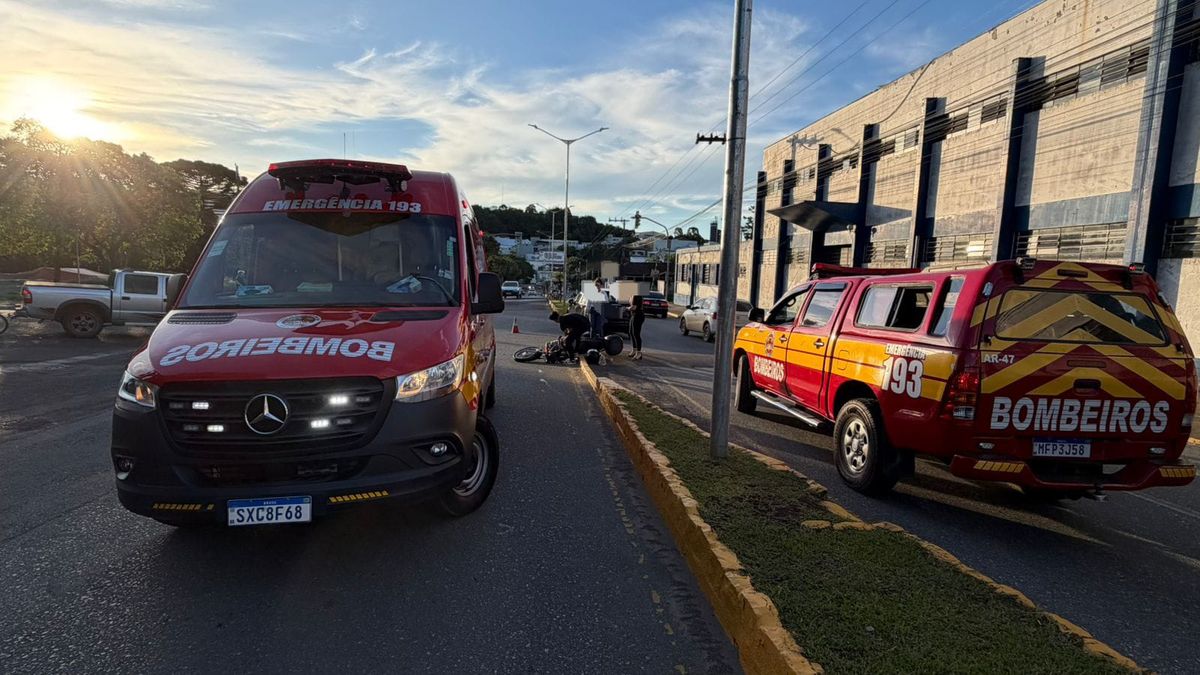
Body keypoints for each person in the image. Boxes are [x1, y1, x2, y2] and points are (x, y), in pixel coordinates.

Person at [628, 295, 646, 360]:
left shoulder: (637, 296)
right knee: (631, 332)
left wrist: (627, 308)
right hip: (634, 315)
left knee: (636, 334)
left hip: (638, 316)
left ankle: (639, 353)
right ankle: (634, 350)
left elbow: (634, 307)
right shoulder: (633, 295)